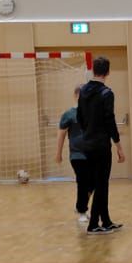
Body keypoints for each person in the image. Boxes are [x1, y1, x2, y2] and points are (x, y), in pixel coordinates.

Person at [76, 56, 125, 233]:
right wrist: (118, 146)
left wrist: (87, 134)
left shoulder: (83, 91)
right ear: (108, 72)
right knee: (102, 184)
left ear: (94, 70)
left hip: (87, 144)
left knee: (98, 183)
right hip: (101, 145)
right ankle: (94, 224)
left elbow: (80, 117)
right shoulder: (107, 93)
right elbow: (109, 121)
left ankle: (106, 221)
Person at [55, 83, 91, 223]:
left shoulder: (92, 113)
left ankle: (80, 205)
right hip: (77, 155)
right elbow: (61, 134)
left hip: (92, 153)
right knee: (82, 181)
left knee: (93, 182)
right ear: (76, 96)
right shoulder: (69, 114)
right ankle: (82, 211)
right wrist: (58, 153)